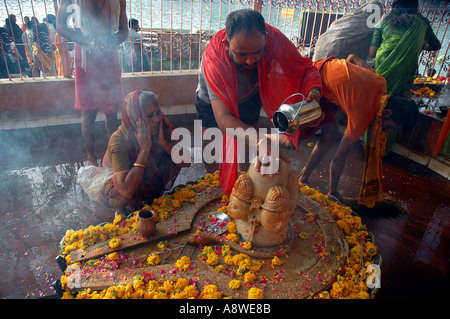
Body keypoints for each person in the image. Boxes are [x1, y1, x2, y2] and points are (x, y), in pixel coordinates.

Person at [195, 9, 322, 195]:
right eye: (241, 54)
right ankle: (217, 192)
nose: (250, 60)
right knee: (211, 146)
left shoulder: (274, 38)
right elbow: (223, 120)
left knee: (248, 145)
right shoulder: (215, 58)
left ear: (266, 39)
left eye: (257, 52)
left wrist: (313, 91)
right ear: (226, 44)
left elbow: (305, 68)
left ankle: (245, 189)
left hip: (249, 95)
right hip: (210, 101)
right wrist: (262, 141)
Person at [296, 54, 419, 207]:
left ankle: (303, 176)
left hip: (322, 66)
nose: (386, 131)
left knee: (331, 133)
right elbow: (339, 157)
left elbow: (352, 58)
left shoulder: (381, 83)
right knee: (292, 138)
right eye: (391, 127)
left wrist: (344, 84)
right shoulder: (363, 116)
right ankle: (268, 143)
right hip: (312, 82)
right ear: (387, 113)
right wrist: (333, 189)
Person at [56, 0, 128, 165]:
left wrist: (108, 43)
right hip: (86, 57)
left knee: (112, 111)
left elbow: (123, 31)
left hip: (109, 53)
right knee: (88, 112)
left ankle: (114, 154)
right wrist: (88, 42)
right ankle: (91, 158)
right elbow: (61, 26)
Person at [96, 90, 190, 215]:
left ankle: (148, 197)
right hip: (118, 183)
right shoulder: (119, 139)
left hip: (139, 174)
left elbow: (187, 161)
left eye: (158, 113)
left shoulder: (160, 125)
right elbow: (126, 189)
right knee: (120, 199)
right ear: (136, 118)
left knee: (166, 158)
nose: (157, 119)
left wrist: (163, 143)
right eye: (150, 116)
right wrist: (144, 150)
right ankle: (120, 209)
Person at [369, 0, 441, 95]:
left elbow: (372, 52)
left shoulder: (384, 22)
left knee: (380, 96)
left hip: (383, 68)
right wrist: (419, 44)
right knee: (399, 98)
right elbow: (437, 45)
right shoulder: (422, 23)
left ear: (395, 6)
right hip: (406, 72)